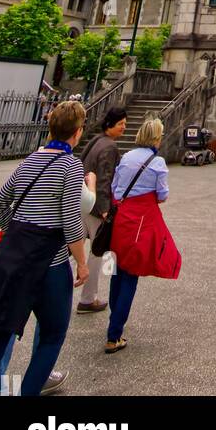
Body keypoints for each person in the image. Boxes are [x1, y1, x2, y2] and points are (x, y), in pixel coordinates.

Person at [0, 100, 89, 397]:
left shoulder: (29, 160)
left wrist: (17, 233)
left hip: (12, 260)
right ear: (77, 133)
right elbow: (71, 221)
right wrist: (82, 262)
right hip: (49, 264)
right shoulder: (71, 164)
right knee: (52, 336)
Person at [105, 117, 180, 354]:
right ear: (156, 138)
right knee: (131, 274)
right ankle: (114, 334)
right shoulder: (157, 163)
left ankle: (113, 320)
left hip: (120, 220)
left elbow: (115, 188)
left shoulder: (126, 157)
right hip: (141, 224)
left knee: (116, 271)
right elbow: (162, 195)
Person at [78, 107, 127, 314]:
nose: (124, 128)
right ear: (110, 125)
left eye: (125, 124)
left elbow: (81, 164)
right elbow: (105, 180)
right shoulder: (109, 147)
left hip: (83, 203)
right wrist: (106, 209)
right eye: (120, 124)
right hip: (98, 208)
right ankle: (88, 299)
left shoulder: (95, 140)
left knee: (71, 247)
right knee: (98, 253)